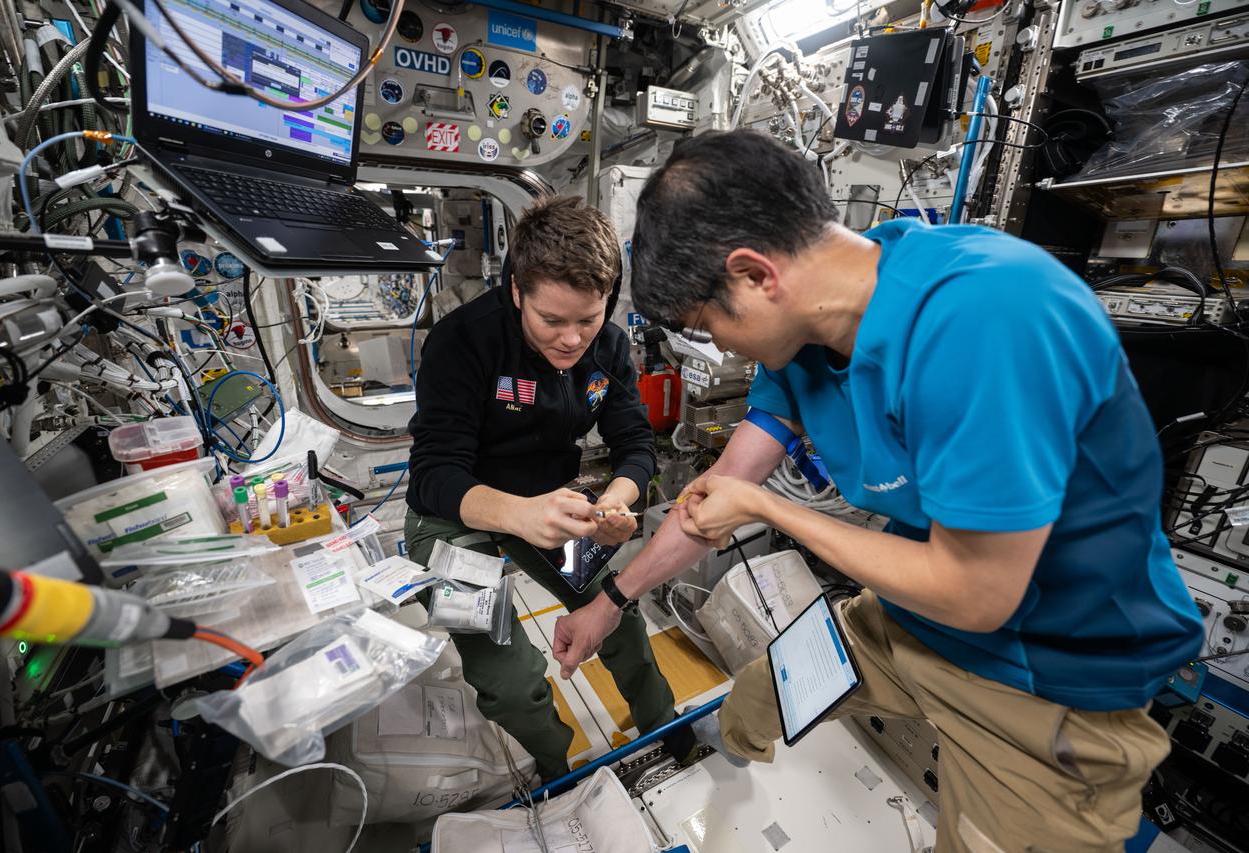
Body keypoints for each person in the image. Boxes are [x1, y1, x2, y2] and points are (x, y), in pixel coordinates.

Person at [552, 130, 1203, 851]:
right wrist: (610, 603)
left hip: (1045, 678)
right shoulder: (802, 344)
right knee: (762, 694)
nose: (721, 349)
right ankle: (715, 754)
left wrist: (772, 509)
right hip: (909, 619)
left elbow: (978, 594)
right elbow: (718, 492)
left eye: (709, 326)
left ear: (754, 274)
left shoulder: (985, 314)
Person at [405, 195, 695, 783]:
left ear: (608, 299)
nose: (571, 339)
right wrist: (516, 514)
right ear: (517, 290)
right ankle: (558, 776)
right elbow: (435, 474)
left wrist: (617, 499)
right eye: (552, 320)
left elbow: (636, 445)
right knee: (511, 679)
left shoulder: (608, 348)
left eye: (587, 319)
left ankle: (673, 738)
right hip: (456, 514)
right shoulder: (463, 343)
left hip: (555, 508)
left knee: (620, 622)